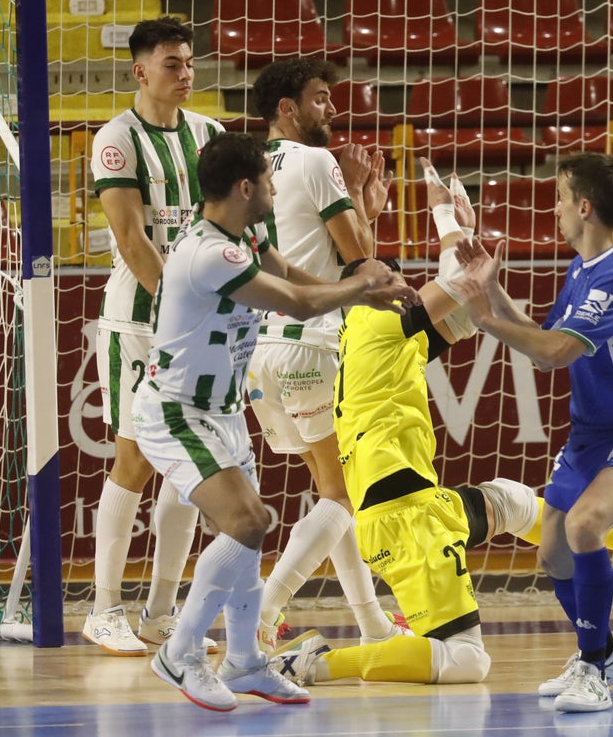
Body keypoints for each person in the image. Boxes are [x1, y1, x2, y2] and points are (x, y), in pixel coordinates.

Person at [134, 132, 418, 711]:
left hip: (223, 410)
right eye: (267, 178)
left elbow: (291, 272)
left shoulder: (245, 231)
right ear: (246, 187)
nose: (273, 184)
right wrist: (365, 280)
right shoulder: (213, 253)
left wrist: (361, 297)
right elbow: (294, 300)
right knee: (248, 521)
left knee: (248, 532)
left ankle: (243, 664)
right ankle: (181, 652)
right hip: (177, 411)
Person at [266, 160, 544, 686]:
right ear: (368, 291)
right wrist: (445, 212)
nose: (403, 284)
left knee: (511, 502)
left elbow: (463, 315)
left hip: (402, 507)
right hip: (406, 512)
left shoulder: (374, 335)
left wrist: (460, 236)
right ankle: (313, 663)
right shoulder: (379, 319)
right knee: (465, 661)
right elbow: (459, 285)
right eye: (392, 278)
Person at [453, 152, 613, 713]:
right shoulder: (581, 269)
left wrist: (484, 317)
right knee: (553, 553)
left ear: (584, 207)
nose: (554, 210)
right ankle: (603, 652)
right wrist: (494, 288)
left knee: (584, 526)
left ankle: (592, 670)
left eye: (559, 199)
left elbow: (555, 354)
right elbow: (546, 339)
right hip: (588, 435)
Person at [245, 57, 406, 649]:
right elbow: (361, 256)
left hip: (261, 351)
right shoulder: (318, 162)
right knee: (342, 495)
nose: (331, 109)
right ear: (287, 108)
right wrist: (365, 198)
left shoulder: (251, 167)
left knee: (329, 490)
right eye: (319, 98)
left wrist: (363, 206)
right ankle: (264, 609)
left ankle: (371, 624)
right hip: (312, 344)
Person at [84, 17, 224, 656]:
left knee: (190, 468)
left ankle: (162, 611)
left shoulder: (211, 137)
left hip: (202, 326)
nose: (185, 73)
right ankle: (104, 609)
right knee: (136, 460)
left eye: (189, 62)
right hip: (142, 326)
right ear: (140, 71)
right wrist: (180, 316)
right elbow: (131, 238)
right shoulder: (117, 140)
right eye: (172, 64)